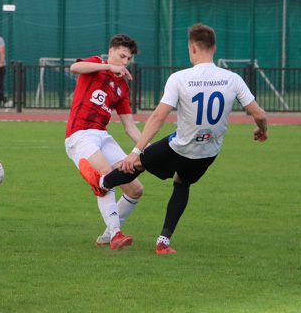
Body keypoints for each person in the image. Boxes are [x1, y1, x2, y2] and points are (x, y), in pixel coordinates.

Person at [80, 24, 269, 254]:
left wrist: (136, 151)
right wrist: (262, 129)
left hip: (178, 146)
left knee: (137, 164)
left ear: (192, 48)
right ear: (214, 48)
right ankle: (163, 241)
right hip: (207, 153)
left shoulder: (180, 78)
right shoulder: (233, 79)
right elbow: (259, 114)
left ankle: (101, 183)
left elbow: (159, 116)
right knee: (182, 183)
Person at [65, 34, 144, 251]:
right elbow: (74, 68)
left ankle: (109, 234)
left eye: (129, 59)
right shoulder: (96, 65)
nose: (125, 62)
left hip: (102, 134)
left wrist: (151, 148)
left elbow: (129, 126)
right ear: (110, 52)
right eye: (122, 56)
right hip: (80, 134)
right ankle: (117, 234)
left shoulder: (122, 87)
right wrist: (108, 67)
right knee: (106, 176)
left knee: (135, 189)